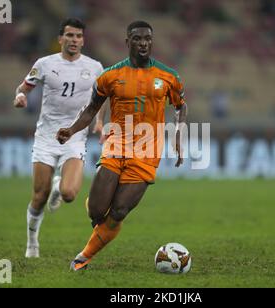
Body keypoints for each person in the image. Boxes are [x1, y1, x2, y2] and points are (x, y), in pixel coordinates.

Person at [56, 21, 188, 271]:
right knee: (97, 212)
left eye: (148, 39)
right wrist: (71, 130)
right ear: (128, 42)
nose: (143, 43)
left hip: (147, 151)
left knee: (119, 211)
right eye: (138, 39)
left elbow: (181, 106)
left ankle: (83, 257)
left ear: (152, 41)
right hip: (117, 144)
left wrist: (179, 136)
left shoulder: (168, 76)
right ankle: (98, 217)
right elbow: (91, 108)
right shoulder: (110, 75)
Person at [13, 18, 104, 258]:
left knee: (69, 194)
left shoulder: (95, 67)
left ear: (83, 41)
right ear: (60, 39)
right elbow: (23, 87)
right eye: (70, 35)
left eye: (78, 36)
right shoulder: (44, 64)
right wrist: (20, 97)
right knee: (38, 197)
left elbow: (103, 97)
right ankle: (32, 241)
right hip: (46, 137)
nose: (74, 40)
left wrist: (101, 121)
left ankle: (58, 184)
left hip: (74, 137)